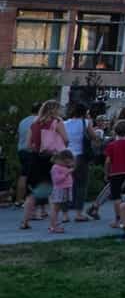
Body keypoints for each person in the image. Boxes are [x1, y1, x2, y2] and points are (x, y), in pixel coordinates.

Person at [21, 100, 66, 230]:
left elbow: (28, 145)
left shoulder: (34, 124)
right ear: (54, 110)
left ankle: (25, 222)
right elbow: (66, 139)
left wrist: (38, 147)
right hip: (50, 159)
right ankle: (53, 225)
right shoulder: (56, 122)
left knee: (32, 193)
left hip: (35, 160)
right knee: (53, 194)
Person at [97, 119, 125, 226]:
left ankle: (118, 219)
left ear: (115, 131)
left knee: (117, 197)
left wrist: (106, 173)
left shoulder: (111, 145)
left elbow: (107, 161)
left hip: (115, 173)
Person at [63, 103, 92, 222]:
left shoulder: (64, 123)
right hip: (80, 156)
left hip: (66, 155)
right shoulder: (86, 123)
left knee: (65, 185)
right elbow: (93, 136)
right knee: (81, 184)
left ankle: (64, 214)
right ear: (84, 112)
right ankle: (79, 213)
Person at [15, 101, 39, 206]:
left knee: (23, 175)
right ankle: (31, 200)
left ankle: (19, 199)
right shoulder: (38, 121)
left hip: (21, 150)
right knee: (33, 177)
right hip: (32, 151)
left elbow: (18, 136)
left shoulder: (23, 121)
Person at [47, 150, 75, 233]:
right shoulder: (55, 167)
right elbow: (56, 180)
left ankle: (54, 225)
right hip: (59, 190)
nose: (67, 164)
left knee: (57, 209)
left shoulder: (63, 167)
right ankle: (53, 226)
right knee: (55, 209)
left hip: (64, 189)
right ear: (61, 160)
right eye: (66, 162)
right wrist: (66, 173)